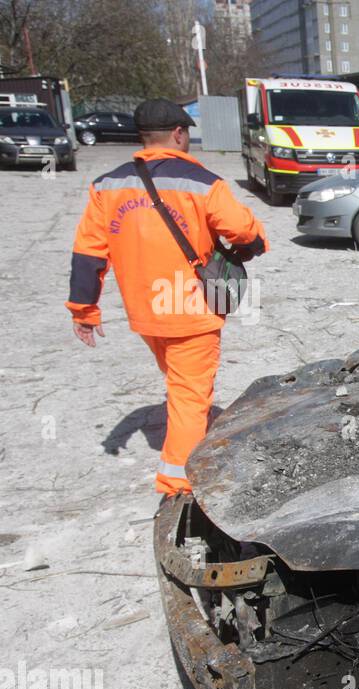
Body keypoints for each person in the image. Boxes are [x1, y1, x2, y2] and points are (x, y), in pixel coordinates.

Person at [66, 99, 269, 496]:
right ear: (178, 133)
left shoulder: (107, 185)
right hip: (189, 309)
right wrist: (257, 240)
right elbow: (241, 229)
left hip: (144, 312)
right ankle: (179, 482)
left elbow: (88, 252)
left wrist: (84, 309)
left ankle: (189, 434)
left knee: (181, 384)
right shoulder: (201, 183)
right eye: (188, 134)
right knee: (190, 393)